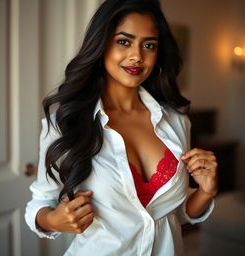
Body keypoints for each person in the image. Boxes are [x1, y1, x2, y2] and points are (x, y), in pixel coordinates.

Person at [25, 0, 218, 255]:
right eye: (124, 41)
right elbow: (40, 203)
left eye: (148, 45)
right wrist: (52, 220)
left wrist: (206, 190)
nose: (137, 55)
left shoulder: (177, 122)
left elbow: (177, 215)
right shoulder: (65, 124)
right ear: (101, 44)